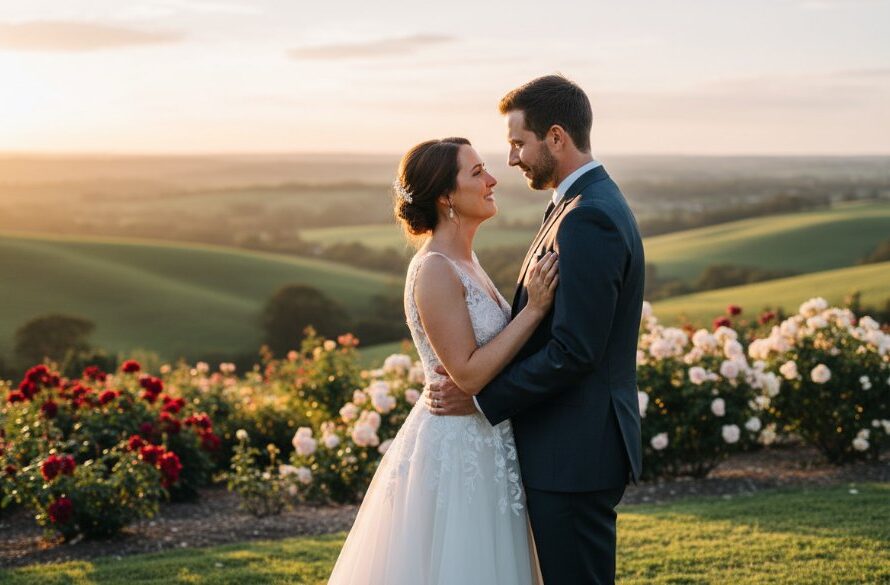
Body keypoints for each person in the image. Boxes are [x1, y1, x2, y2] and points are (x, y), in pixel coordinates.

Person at [427, 75, 645, 585]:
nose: (511, 160)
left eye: (517, 143)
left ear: (555, 137)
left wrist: (482, 400)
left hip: (574, 451)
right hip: (568, 447)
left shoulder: (588, 217)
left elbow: (575, 350)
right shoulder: (579, 205)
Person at [327, 136, 557, 584]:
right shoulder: (434, 269)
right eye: (477, 173)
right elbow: (467, 374)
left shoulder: (467, 261)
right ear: (446, 197)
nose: (492, 180)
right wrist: (534, 310)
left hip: (487, 440)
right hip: (457, 451)